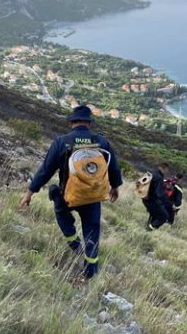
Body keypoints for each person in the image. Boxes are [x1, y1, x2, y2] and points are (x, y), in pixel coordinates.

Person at [19, 105, 122, 279]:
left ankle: (75, 245)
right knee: (92, 232)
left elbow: (45, 170)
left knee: (62, 214)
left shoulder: (62, 141)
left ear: (72, 122)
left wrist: (29, 193)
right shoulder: (102, 142)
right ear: (89, 123)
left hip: (68, 196)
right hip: (93, 196)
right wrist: (115, 186)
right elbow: (114, 167)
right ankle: (90, 273)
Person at [142, 162, 172, 230]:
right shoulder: (159, 177)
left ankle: (147, 228)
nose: (167, 172)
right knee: (164, 216)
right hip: (152, 200)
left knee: (154, 214)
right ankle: (149, 229)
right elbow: (158, 193)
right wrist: (167, 202)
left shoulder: (152, 173)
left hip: (145, 198)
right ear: (165, 169)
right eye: (167, 170)